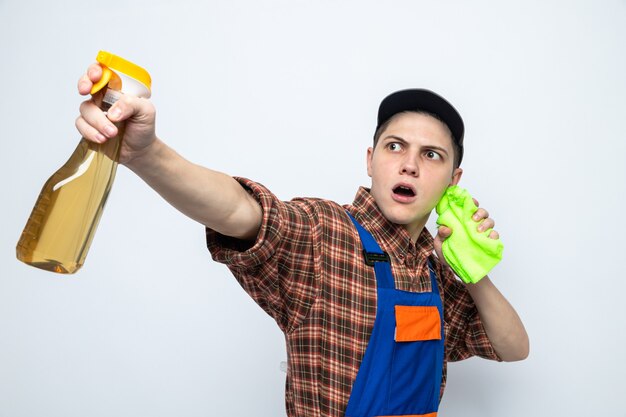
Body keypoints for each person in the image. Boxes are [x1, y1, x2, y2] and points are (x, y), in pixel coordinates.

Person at [76, 63, 529, 417]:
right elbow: (239, 210)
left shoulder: (436, 271)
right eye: (395, 146)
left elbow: (513, 348)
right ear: (371, 160)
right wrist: (147, 154)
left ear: (454, 180)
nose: (409, 165)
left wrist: (472, 270)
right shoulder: (323, 234)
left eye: (431, 155)